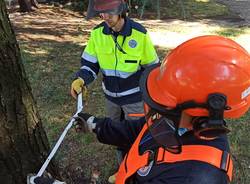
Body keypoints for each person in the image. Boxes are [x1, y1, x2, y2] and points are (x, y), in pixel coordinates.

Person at [74, 35, 250, 184]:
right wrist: (94, 124)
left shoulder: (197, 177)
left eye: (166, 105)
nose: (159, 110)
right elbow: (138, 130)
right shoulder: (172, 120)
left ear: (203, 116)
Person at [71, 0, 159, 122]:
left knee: (135, 135)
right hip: (111, 99)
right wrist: (81, 79)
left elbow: (152, 69)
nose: (105, 17)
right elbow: (90, 64)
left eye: (110, 12)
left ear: (121, 10)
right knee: (114, 133)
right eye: (102, 12)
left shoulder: (140, 34)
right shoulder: (97, 34)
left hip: (135, 100)